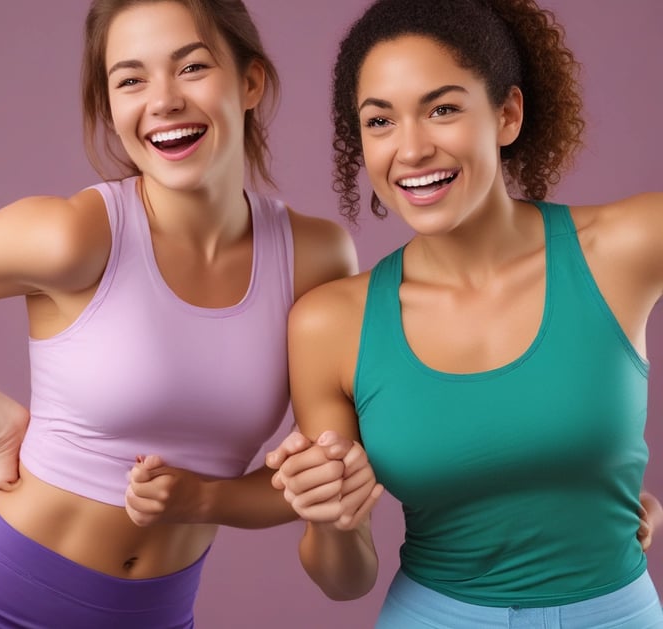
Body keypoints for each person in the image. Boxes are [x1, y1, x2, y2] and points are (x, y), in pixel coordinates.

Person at [0, 0, 357, 627]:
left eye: (191, 68)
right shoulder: (73, 237)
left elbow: (318, 483)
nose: (163, 100)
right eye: (131, 80)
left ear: (250, 82)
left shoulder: (316, 258)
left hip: (156, 613)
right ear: (110, 108)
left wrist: (206, 499)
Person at [266, 0, 663, 626]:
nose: (412, 149)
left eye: (442, 109)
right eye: (380, 121)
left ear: (507, 115)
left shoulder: (628, 245)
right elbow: (345, 581)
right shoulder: (329, 324)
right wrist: (330, 519)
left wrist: (603, 483)